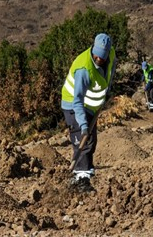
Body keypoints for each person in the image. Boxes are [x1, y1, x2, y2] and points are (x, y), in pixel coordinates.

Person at [61, 33, 116, 192]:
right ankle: (81, 180)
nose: (99, 60)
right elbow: (77, 100)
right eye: (96, 56)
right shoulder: (84, 69)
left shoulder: (110, 54)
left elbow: (112, 67)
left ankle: (85, 171)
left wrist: (108, 87)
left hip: (91, 105)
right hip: (73, 104)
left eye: (102, 58)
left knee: (91, 140)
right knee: (82, 138)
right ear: (93, 50)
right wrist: (83, 125)